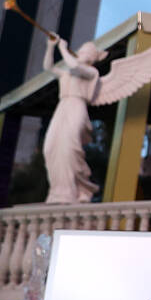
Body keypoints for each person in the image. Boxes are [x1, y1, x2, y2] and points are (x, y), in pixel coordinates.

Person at [43, 36, 103, 204]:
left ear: (91, 58)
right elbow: (48, 67)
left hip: (77, 106)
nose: (81, 53)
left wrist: (63, 48)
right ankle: (57, 191)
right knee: (50, 147)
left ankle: (71, 192)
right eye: (81, 50)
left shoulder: (91, 72)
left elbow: (74, 65)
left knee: (70, 147)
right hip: (62, 107)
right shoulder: (68, 72)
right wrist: (50, 47)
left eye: (86, 51)